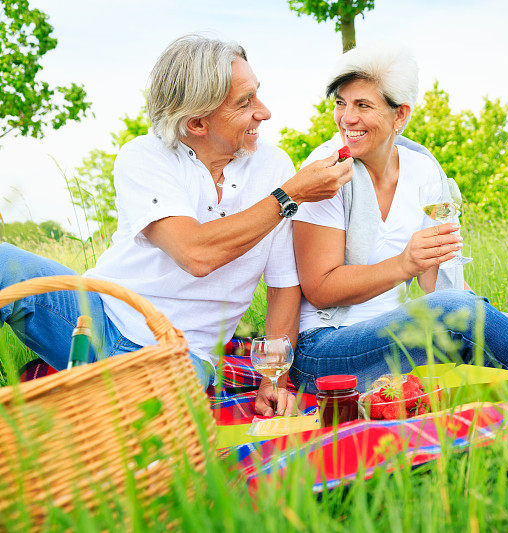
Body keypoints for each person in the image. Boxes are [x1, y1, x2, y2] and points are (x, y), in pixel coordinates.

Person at [0, 34, 353, 416]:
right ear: (197, 122)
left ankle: (92, 398)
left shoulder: (275, 167)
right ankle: (90, 392)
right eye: (245, 103)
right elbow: (195, 253)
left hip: (183, 356)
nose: (264, 112)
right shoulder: (143, 156)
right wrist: (289, 196)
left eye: (257, 95)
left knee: (140, 417)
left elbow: (284, 285)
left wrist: (273, 379)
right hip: (97, 319)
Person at [289, 44, 508, 394]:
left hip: (395, 334)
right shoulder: (326, 170)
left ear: (400, 115)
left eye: (363, 105)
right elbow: (320, 289)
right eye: (341, 103)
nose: (347, 118)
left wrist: (497, 321)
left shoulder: (424, 171)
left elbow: (443, 288)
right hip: (325, 349)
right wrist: (405, 264)